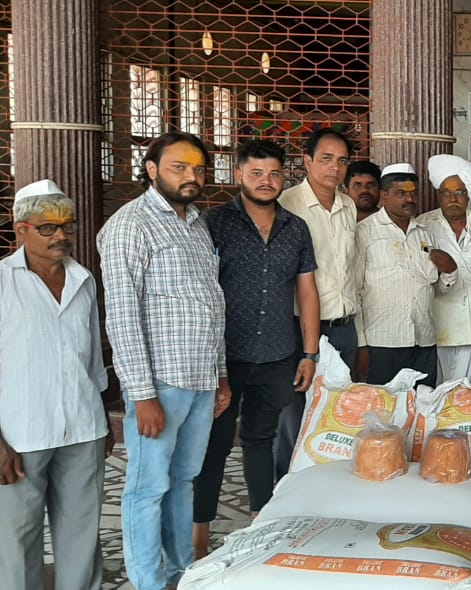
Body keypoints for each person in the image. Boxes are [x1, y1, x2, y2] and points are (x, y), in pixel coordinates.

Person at [98, 132, 231, 590]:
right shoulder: (129, 225)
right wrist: (142, 394)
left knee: (184, 480)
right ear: (152, 169)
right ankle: (148, 581)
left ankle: (180, 573)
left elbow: (211, 304)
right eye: (179, 166)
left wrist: (220, 376)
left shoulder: (195, 223)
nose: (191, 175)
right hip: (160, 384)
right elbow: (122, 315)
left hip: (199, 380)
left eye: (198, 168)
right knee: (147, 487)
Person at [192, 140, 320, 558]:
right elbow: (198, 290)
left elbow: (306, 291)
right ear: (239, 175)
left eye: (274, 173)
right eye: (257, 173)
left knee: (261, 439)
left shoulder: (295, 228)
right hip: (223, 358)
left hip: (277, 354)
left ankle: (259, 529)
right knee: (214, 445)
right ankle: (198, 539)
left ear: (285, 177)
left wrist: (309, 353)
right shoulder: (213, 224)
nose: (267, 181)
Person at [0, 180, 110, 590]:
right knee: (15, 540)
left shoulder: (84, 280)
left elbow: (93, 356)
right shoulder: (3, 281)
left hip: (83, 428)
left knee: (82, 534)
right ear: (21, 230)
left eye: (67, 225)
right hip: (20, 434)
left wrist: (101, 419)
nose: (61, 235)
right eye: (47, 227)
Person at [276, 127, 359, 476]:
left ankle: (326, 488)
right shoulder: (286, 204)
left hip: (343, 328)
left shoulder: (348, 205)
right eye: (326, 159)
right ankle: (285, 488)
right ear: (307, 161)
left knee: (337, 416)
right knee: (293, 415)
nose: (334, 168)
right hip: (298, 329)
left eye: (342, 161)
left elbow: (352, 269)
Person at [354, 163, 457, 385]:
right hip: (382, 343)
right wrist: (361, 345)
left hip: (423, 341)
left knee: (422, 403)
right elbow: (355, 291)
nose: (409, 199)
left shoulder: (425, 236)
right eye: (401, 193)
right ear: (384, 196)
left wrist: (450, 272)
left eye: (413, 193)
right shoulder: (364, 232)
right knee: (384, 405)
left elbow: (434, 289)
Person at [421, 154, 471, 383]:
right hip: (437, 331)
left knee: (469, 397)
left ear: (468, 195)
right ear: (438, 195)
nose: (453, 199)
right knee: (436, 395)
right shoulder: (423, 227)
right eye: (446, 193)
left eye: (460, 192)